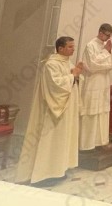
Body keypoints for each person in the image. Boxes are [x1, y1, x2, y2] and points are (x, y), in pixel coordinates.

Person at [15, 37, 83, 184]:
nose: (73, 49)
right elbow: (55, 85)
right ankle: (44, 174)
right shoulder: (51, 64)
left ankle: (58, 170)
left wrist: (76, 76)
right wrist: (73, 75)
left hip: (66, 109)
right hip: (53, 111)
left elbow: (73, 79)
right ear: (60, 48)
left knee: (61, 139)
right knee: (50, 140)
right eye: (70, 47)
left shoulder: (67, 62)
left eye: (73, 46)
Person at [79, 23, 112, 150]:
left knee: (102, 112)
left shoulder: (105, 46)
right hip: (93, 82)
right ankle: (87, 144)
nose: (108, 38)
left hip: (103, 82)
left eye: (110, 35)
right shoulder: (90, 45)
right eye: (107, 35)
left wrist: (107, 55)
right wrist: (106, 53)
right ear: (100, 33)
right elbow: (91, 66)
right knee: (91, 112)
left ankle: (99, 142)